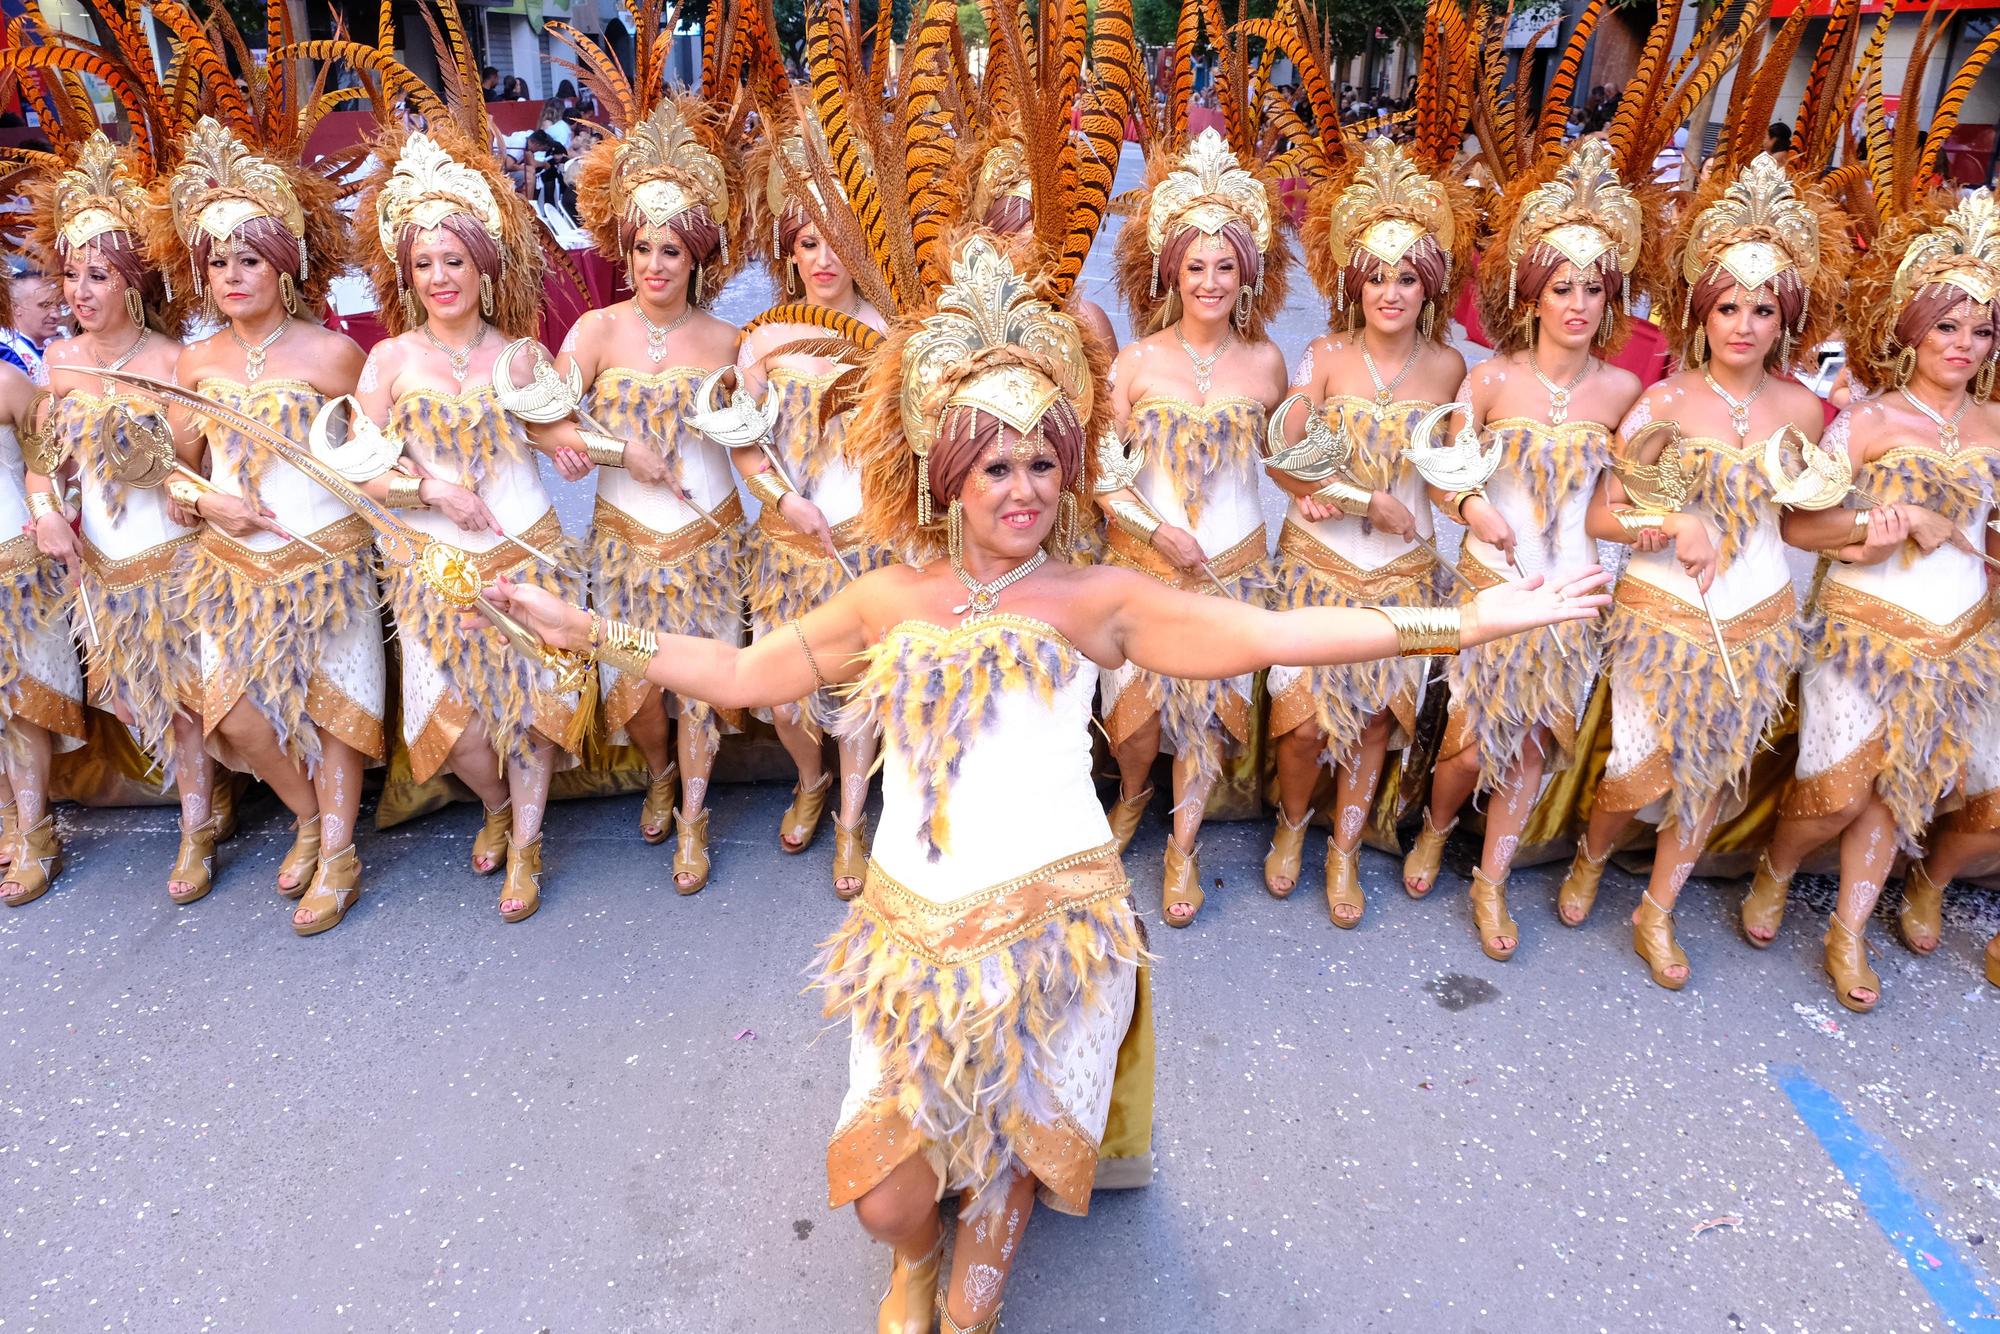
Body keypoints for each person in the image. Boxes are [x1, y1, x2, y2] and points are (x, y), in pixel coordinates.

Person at [476, 232, 1612, 1334]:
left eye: (1036, 462)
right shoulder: (887, 601)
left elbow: (1271, 633)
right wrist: (583, 625)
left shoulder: (1095, 598)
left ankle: (981, 1260)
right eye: (991, 466)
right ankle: (919, 1256)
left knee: (1005, 1192)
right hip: (909, 932)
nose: (1018, 488)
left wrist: (1462, 618)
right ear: (942, 473)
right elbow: (727, 668)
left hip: (1055, 926)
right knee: (887, 1197)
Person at [1560, 154, 1841, 988]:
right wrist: (1678, 520)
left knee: (1712, 774)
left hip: (1758, 612)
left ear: (1785, 316)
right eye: (1728, 307)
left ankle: (1657, 909)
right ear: (1701, 312)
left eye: (1761, 308)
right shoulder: (1664, 402)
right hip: (1662, 611)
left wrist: (1873, 527)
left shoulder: (1804, 409)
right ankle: (1590, 854)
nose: (1744, 325)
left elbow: (1801, 519)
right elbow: (1604, 515)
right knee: (1634, 768)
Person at [1751, 188, 2000, 1011]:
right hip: (1863, 630)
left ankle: (1849, 930)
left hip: (1963, 635)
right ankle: (1777, 868)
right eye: (1947, 326)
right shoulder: (1862, 421)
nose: (1963, 345)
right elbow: (1800, 528)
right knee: (1837, 792)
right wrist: (1880, 522)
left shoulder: (1999, 425)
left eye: (1981, 329)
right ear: (1911, 328)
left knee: (1905, 790)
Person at [1404, 137, 1645, 961]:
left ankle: (1493, 879)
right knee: (1471, 741)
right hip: (1495, 581)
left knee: (1537, 741)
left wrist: (1660, 521)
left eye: (1592, 289)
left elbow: (1628, 500)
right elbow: (1444, 473)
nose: (1576, 303)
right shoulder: (1490, 379)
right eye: (1561, 287)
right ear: (1532, 294)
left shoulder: (1623, 391)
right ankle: (1437, 829)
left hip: (1574, 585)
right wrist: (1473, 509)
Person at [348, 124, 588, 923]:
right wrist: (431, 491)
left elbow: (558, 440)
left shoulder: (522, 356)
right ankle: (492, 804)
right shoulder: (387, 362)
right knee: (453, 733)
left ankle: (526, 838)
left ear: (484, 264)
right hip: (436, 570)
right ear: (406, 274)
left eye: (454, 260)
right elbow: (360, 469)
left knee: (528, 713)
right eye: (424, 264)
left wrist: (584, 449)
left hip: (526, 552)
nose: (440, 277)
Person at [154, 116, 384, 935]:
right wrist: (208, 500)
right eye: (218, 262)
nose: (231, 275)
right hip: (228, 564)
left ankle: (341, 850)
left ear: (283, 267)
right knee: (238, 714)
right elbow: (177, 469)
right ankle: (304, 816)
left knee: (336, 710)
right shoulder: (196, 362)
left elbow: (369, 462)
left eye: (248, 259)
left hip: (326, 559)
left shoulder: (333, 354)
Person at [1265, 134, 1470, 920]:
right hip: (1316, 563)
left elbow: (1452, 482)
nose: (1392, 291)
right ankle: (1292, 828)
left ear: (1430, 286)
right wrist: (1348, 498)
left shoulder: (1452, 370)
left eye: (1408, 277)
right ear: (1355, 282)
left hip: (1410, 574)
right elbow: (1282, 461)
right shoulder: (1322, 355)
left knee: (1381, 721)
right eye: (1378, 276)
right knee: (1304, 724)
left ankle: (1344, 850)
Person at [562, 87, 749, 891]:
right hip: (627, 547)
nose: (654, 266)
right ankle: (657, 769)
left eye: (670, 251)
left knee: (702, 689)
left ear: (697, 257)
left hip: (710, 539)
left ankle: (696, 817)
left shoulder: (730, 339)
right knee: (636, 691)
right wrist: (602, 447)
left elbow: (758, 437)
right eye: (641, 249)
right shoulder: (596, 332)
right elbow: (544, 421)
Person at [22, 132, 216, 902]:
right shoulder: (59, 363)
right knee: (136, 697)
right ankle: (212, 800)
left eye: (97, 275)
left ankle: (196, 831)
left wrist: (186, 481)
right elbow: (44, 457)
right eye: (70, 275)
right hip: (102, 566)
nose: (79, 290)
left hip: (175, 559)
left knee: (189, 704)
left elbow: (203, 458)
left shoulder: (173, 362)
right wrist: (44, 509)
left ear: (133, 282)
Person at [1103, 127, 1289, 927]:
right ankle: (1136, 796)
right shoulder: (1136, 362)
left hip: (1233, 563)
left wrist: (1317, 495)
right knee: (1136, 723)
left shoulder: (1268, 362)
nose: (1209, 281)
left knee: (1209, 716)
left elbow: (1285, 461)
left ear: (1246, 272)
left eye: (1225, 266)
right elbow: (1101, 478)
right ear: (1169, 270)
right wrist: (1153, 533)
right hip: (1146, 562)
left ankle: (1184, 847)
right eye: (1195, 266)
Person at [725, 114, 895, 898]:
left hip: (867, 544)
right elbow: (743, 443)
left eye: (837, 239)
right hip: (789, 543)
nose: (824, 260)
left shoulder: (897, 333)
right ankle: (809, 780)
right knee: (790, 699)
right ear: (789, 256)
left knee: (859, 694)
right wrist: (784, 500)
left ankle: (854, 823)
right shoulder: (762, 341)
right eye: (806, 245)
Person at [0, 283, 86, 908]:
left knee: (24, 707)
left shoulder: (10, 381)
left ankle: (35, 830)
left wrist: (50, 514)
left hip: (14, 562)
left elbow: (52, 460)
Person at [2, 260, 61, 383]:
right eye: (45, 305)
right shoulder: (5, 351)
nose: (55, 315)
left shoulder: (56, 343)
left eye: (58, 306)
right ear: (15, 308)